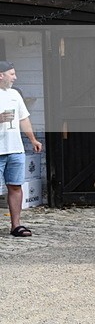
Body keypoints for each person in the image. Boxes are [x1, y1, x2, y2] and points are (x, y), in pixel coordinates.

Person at [0, 61, 43, 237]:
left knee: (16, 186)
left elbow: (23, 119)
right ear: (0, 75)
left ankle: (16, 225)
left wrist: (32, 139)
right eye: (12, 74)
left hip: (15, 149)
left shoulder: (15, 94)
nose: (15, 77)